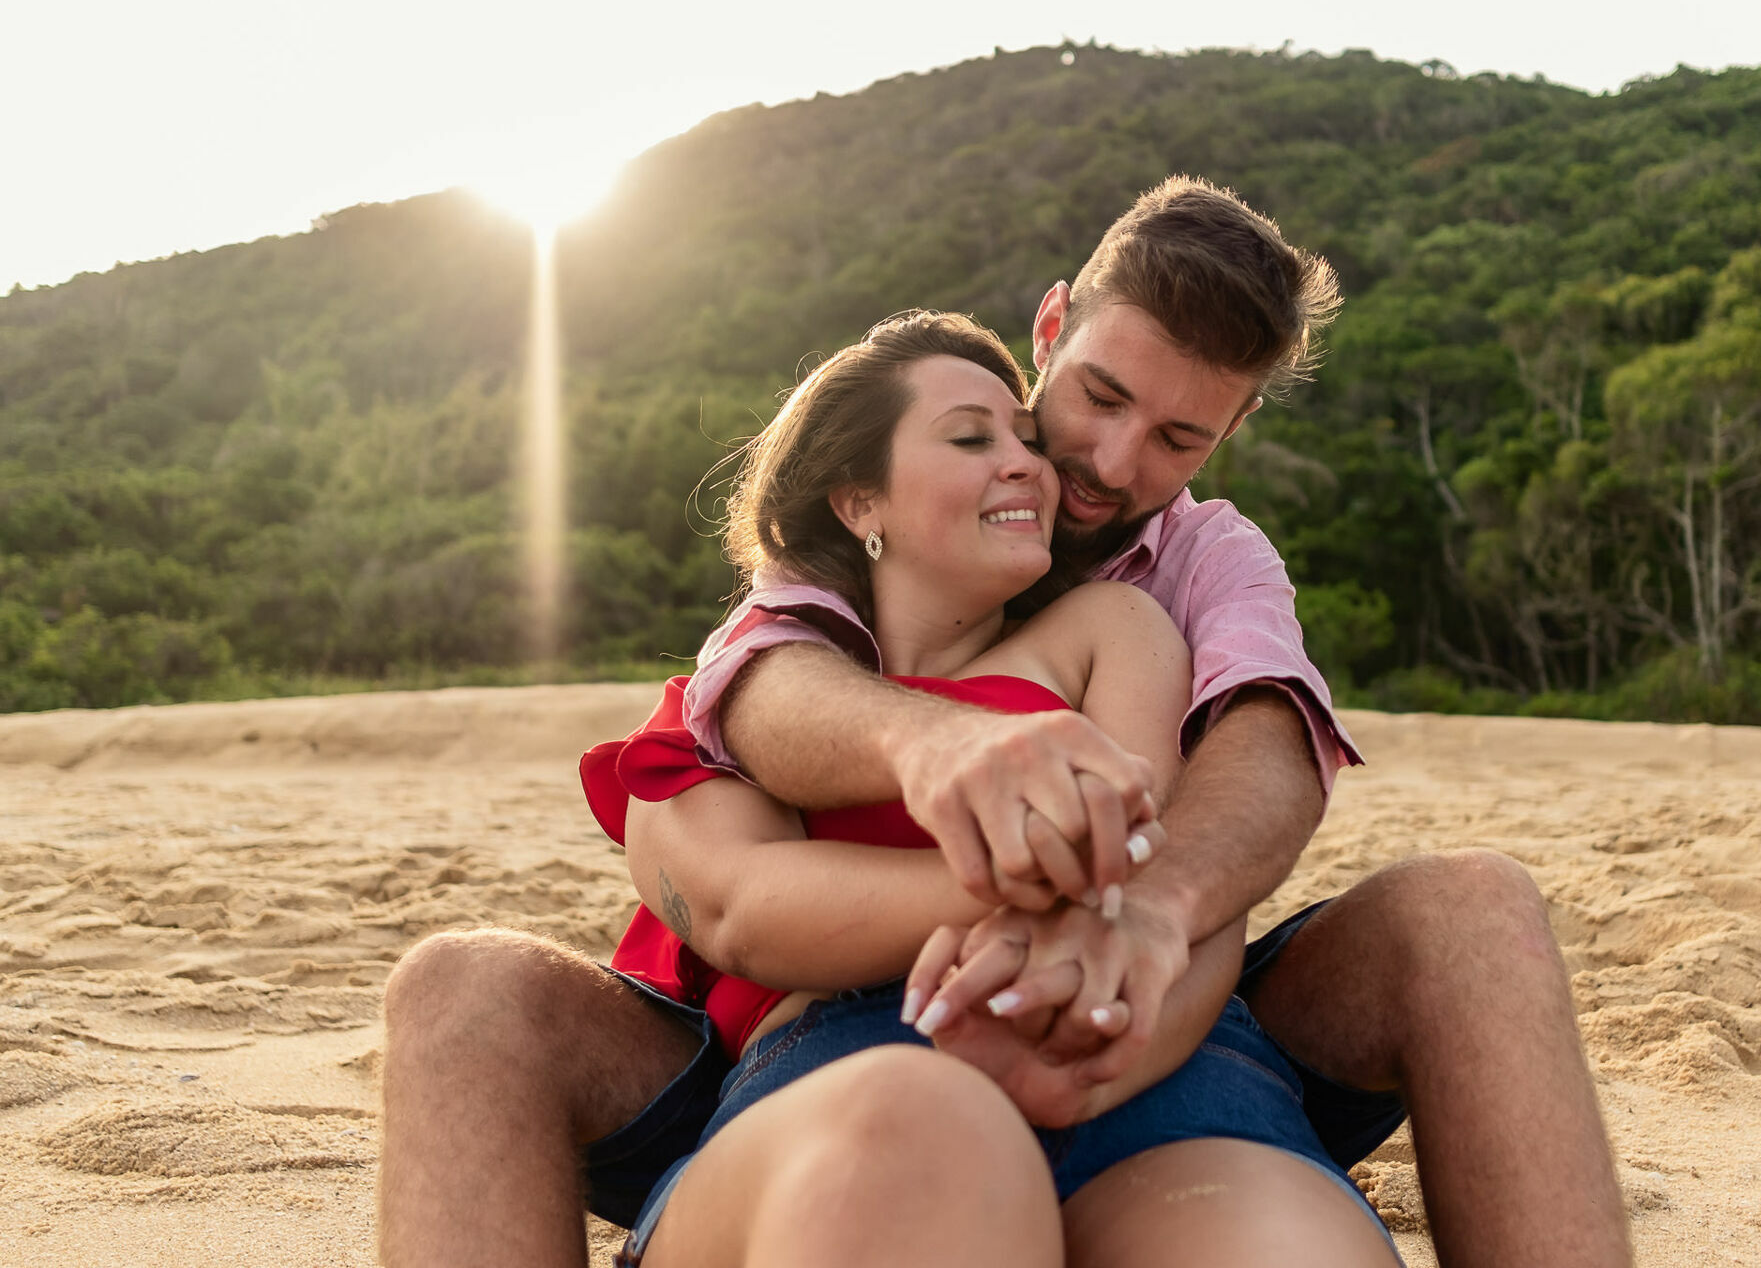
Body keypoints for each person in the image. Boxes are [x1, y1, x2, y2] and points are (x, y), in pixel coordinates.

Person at [378, 178, 1629, 1268]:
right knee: (474, 986)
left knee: (1472, 911)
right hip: (831, 1027)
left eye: (1181, 437)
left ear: (1232, 432)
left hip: (1164, 1000)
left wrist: (1132, 920)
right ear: (1052, 328)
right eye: (1095, 396)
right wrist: (949, 753)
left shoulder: (1189, 572)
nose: (1108, 460)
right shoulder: (842, 565)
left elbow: (1261, 748)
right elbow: (761, 711)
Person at [589, 309, 1402, 1266]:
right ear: (860, 503)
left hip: (1141, 1051)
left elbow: (1167, 866)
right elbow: (741, 908)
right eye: (972, 438)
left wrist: (1107, 1042)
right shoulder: (760, 686)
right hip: (856, 1053)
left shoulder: (1120, 626)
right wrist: (1038, 871)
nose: (1032, 464)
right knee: (908, 1146)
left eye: (1025, 437)